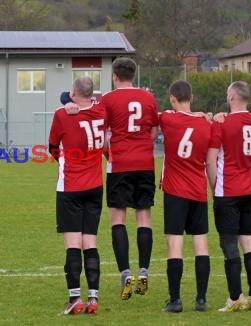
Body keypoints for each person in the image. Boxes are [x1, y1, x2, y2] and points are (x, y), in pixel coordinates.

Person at [60, 57, 159, 300]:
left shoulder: (109, 99)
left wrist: (108, 153)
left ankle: (125, 272)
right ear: (133, 74)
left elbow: (100, 129)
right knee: (144, 218)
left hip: (120, 164)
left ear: (115, 76)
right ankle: (143, 271)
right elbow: (154, 130)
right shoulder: (148, 97)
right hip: (145, 163)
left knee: (118, 219)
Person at [49, 76, 106, 315]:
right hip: (95, 185)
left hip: (71, 186)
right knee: (90, 243)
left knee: (73, 244)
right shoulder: (102, 111)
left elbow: (52, 148)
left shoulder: (62, 115)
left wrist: (66, 105)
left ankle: (75, 298)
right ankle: (93, 299)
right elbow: (97, 100)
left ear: (73, 92)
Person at [206, 81, 251, 312]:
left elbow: (210, 160)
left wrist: (213, 187)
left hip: (228, 190)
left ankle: (235, 297)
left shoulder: (224, 123)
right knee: (248, 240)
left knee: (228, 243)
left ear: (231, 97)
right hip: (250, 188)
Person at [159, 81, 211, 313]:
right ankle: (201, 299)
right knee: (201, 244)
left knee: (174, 244)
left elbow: (154, 114)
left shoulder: (168, 119)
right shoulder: (206, 124)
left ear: (172, 98)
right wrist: (208, 115)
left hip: (175, 191)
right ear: (193, 97)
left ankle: (175, 300)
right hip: (198, 190)